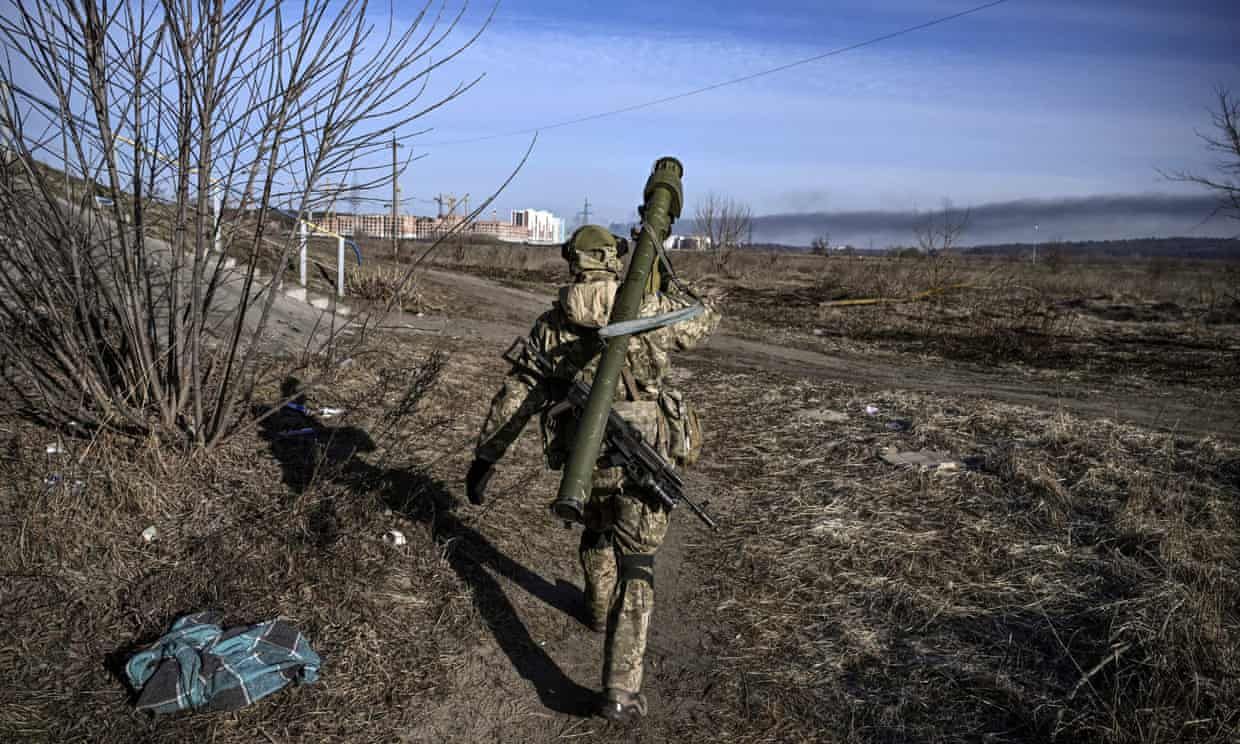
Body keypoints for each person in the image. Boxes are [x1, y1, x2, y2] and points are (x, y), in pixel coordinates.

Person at [464, 224, 720, 721]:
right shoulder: (649, 309)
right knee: (637, 563)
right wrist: (669, 273)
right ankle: (620, 689)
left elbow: (518, 395)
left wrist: (485, 458)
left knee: (597, 526)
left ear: (573, 262)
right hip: (645, 455)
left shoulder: (552, 325)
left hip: (585, 461)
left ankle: (598, 609)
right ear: (614, 259)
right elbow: (705, 319)